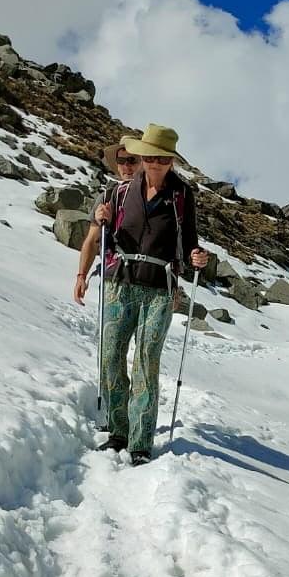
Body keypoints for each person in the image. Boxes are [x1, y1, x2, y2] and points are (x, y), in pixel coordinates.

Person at [81, 123, 209, 465]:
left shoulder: (182, 196)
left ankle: (140, 442)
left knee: (146, 361)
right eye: (150, 157)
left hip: (159, 288)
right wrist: (99, 216)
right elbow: (100, 229)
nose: (155, 164)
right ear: (141, 156)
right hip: (119, 282)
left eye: (162, 159)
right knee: (110, 356)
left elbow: (191, 240)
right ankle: (118, 431)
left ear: (172, 162)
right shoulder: (120, 192)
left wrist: (197, 256)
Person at [72, 137, 139, 304]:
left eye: (131, 160)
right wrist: (81, 276)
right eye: (121, 161)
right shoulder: (107, 197)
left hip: (151, 283)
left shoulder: (159, 198)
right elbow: (93, 240)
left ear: (143, 162)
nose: (126, 166)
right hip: (115, 279)